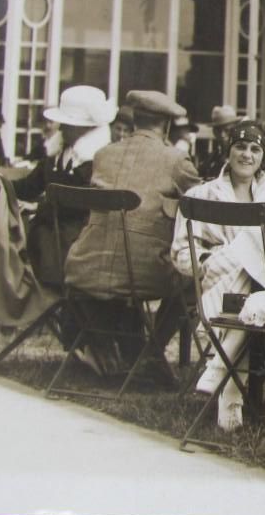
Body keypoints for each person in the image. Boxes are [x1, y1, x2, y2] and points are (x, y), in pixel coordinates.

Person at [171, 120, 265, 430]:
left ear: (263, 156)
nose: (247, 154)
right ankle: (229, 391)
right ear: (227, 151)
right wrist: (211, 262)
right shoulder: (201, 193)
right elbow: (181, 253)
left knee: (259, 277)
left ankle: (222, 371)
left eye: (255, 149)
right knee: (251, 270)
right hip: (222, 280)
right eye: (240, 147)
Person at [63, 90, 202, 381]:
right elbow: (203, 199)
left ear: (135, 120)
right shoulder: (176, 160)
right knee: (195, 277)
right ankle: (151, 351)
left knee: (119, 255)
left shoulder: (103, 156)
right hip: (143, 274)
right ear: (165, 126)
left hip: (85, 266)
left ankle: (115, 349)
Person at [12, 86, 117, 289]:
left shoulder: (99, 160)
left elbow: (82, 204)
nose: (61, 129)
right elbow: (29, 186)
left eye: (67, 125)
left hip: (80, 240)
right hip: (51, 234)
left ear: (86, 128)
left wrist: (40, 207)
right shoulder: (59, 153)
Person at [199, 104, 241, 179]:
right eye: (218, 130)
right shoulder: (211, 159)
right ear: (214, 132)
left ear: (235, 130)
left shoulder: (242, 156)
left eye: (227, 130)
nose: (222, 135)